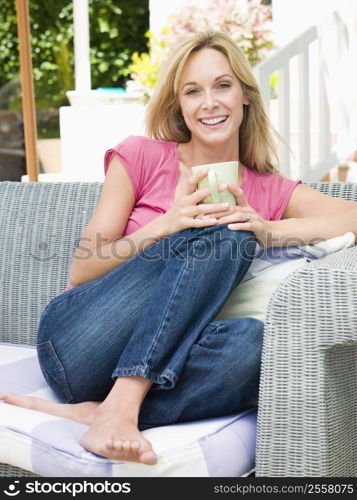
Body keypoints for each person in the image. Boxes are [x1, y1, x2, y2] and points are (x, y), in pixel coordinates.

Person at [1, 31, 356, 466]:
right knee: (227, 236)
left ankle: (107, 410)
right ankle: (123, 400)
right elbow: (82, 269)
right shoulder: (142, 157)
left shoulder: (269, 190)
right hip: (78, 343)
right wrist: (169, 224)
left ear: (244, 96)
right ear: (180, 106)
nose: (209, 102)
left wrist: (265, 228)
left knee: (257, 341)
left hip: (168, 365)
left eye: (222, 86)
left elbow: (351, 215)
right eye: (193, 91)